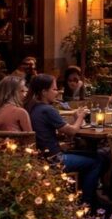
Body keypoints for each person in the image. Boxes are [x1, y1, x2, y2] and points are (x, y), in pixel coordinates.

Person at [26, 74, 104, 207]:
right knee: (97, 161)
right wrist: (80, 116)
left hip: (39, 158)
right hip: (54, 160)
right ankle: (86, 204)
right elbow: (72, 131)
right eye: (55, 89)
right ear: (44, 92)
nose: (58, 92)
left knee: (93, 155)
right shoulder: (47, 110)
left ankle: (80, 195)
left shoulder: (31, 107)